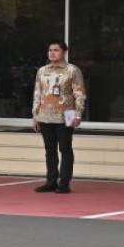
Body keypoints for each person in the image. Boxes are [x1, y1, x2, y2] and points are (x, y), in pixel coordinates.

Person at [31, 41, 86, 194]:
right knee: (49, 149)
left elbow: (79, 93)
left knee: (65, 148)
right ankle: (51, 181)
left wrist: (78, 113)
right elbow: (37, 93)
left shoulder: (72, 70)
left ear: (64, 52)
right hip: (45, 114)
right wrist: (35, 115)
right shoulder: (42, 71)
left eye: (56, 50)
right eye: (50, 50)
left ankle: (64, 182)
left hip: (66, 114)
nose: (52, 53)